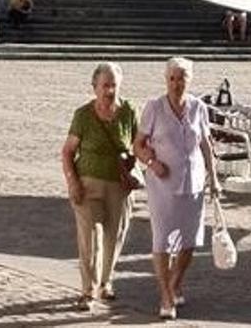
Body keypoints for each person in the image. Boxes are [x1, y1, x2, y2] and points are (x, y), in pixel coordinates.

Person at [133, 57, 220, 320]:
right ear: (166, 80)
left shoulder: (198, 107)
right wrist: (151, 161)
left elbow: (206, 144)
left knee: (189, 240)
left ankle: (175, 282)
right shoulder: (154, 108)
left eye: (181, 78)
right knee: (162, 239)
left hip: (193, 182)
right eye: (172, 78)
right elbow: (138, 144)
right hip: (163, 184)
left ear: (189, 80)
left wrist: (213, 179)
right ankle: (166, 295)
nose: (176, 83)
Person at [60, 62, 138, 310]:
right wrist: (72, 182)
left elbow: (138, 145)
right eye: (105, 86)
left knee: (114, 236)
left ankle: (106, 283)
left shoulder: (128, 111)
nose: (109, 91)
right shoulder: (83, 115)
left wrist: (139, 166)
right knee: (89, 237)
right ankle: (87, 289)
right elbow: (67, 152)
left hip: (119, 184)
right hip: (88, 184)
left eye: (113, 85)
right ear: (94, 87)